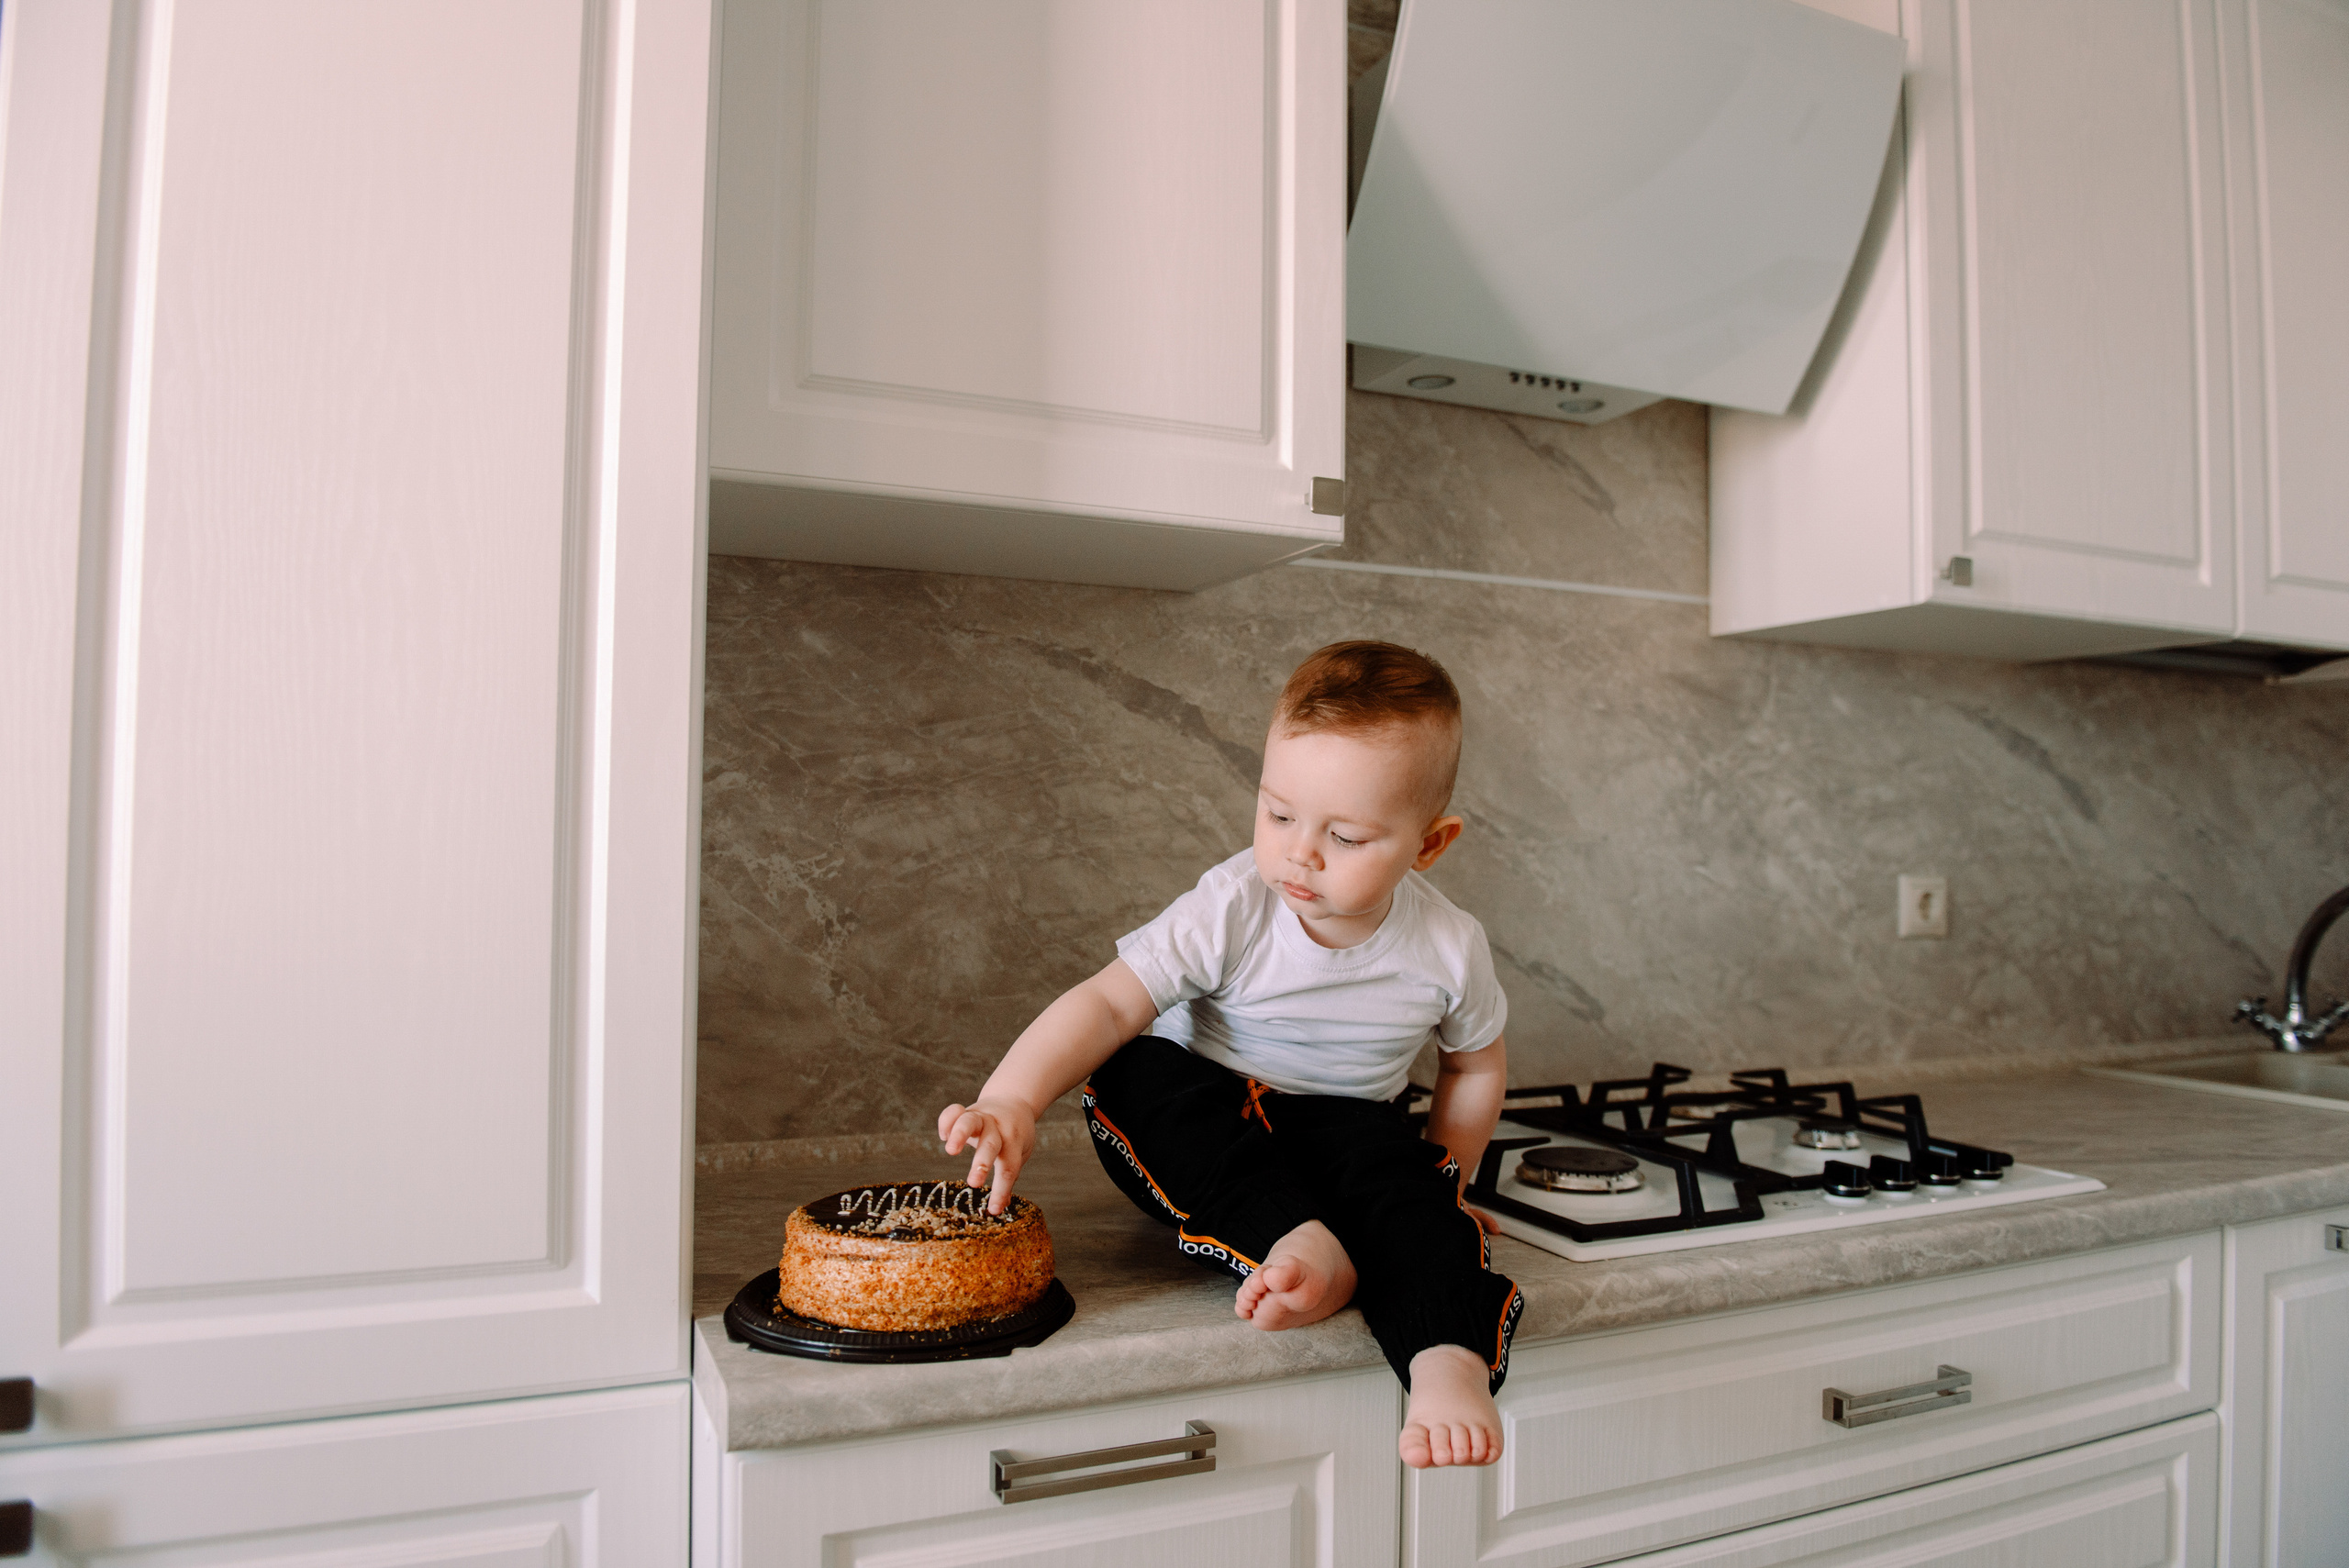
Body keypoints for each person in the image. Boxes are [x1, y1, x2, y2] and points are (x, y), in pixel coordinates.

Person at [938, 640, 1519, 1469]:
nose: (1300, 852)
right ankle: (1296, 1238)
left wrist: (1444, 1180)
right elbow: (1108, 1001)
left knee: (1415, 1206)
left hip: (1353, 1131)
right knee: (1133, 1068)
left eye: (1346, 835)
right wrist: (1013, 1098)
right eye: (1279, 814)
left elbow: (1474, 1065)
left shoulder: (1450, 946)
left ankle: (1446, 1361)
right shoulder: (1236, 904)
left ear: (1429, 845)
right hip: (1212, 1118)